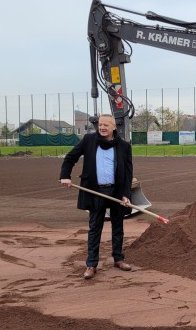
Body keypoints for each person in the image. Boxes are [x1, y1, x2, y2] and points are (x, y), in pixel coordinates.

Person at [60, 114, 133, 279]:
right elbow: (70, 158)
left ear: (114, 127)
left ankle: (118, 259)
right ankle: (91, 264)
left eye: (106, 125)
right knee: (95, 228)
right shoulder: (89, 140)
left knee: (118, 227)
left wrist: (126, 194)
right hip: (95, 191)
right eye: (100, 124)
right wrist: (65, 175)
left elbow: (128, 172)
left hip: (115, 191)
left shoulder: (123, 146)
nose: (102, 127)